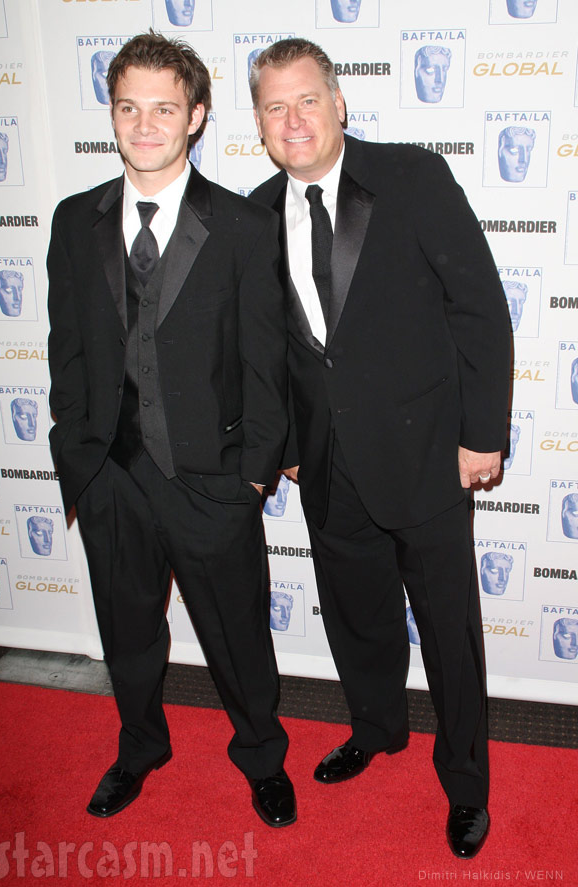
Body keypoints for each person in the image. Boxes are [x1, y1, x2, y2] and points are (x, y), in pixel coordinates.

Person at [249, 38, 510, 858]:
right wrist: (288, 445)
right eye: (274, 107)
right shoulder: (255, 211)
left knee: (448, 632)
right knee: (358, 619)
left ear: (339, 104)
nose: (293, 120)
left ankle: (466, 783)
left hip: (429, 453)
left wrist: (482, 435)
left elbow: (479, 308)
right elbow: (269, 348)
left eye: (307, 101)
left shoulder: (411, 176)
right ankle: (376, 728)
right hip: (329, 464)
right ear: (258, 123)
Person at [47, 32, 295, 828]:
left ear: (195, 117)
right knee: (126, 633)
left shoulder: (243, 226)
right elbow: (68, 349)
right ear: (111, 113)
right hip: (111, 476)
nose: (144, 125)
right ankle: (139, 745)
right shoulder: (72, 221)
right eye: (129, 108)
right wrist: (78, 455)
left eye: (164, 109)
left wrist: (252, 476)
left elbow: (267, 360)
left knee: (239, 640)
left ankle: (261, 753)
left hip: (212, 480)